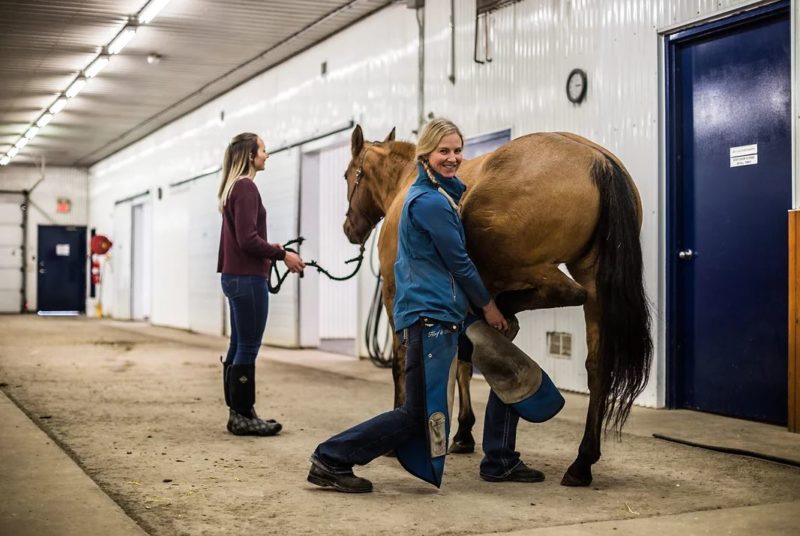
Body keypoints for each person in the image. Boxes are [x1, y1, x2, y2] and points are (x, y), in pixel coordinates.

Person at [307, 118, 549, 493]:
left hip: (447, 312)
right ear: (425, 154)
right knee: (416, 414)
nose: (452, 158)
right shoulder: (431, 202)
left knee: (508, 368)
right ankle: (331, 457)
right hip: (432, 318)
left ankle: (500, 458)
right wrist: (489, 307)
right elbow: (460, 263)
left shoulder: (439, 195)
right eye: (443, 151)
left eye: (456, 150)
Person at [217, 132, 305, 436]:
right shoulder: (246, 188)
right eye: (263, 151)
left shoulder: (234, 188)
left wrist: (269, 248)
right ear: (250, 156)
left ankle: (239, 412)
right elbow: (247, 239)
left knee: (238, 344)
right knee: (249, 346)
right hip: (247, 279)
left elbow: (243, 239)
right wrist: (282, 254)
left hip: (235, 276)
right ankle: (242, 415)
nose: (266, 155)